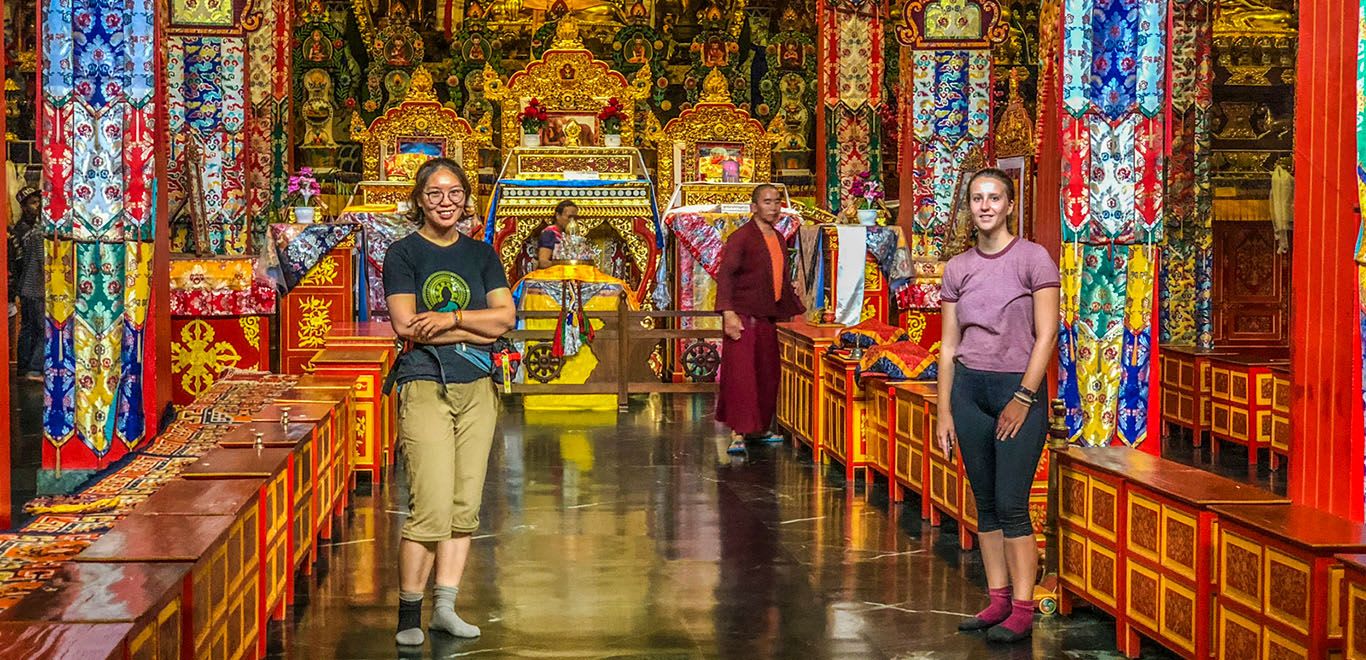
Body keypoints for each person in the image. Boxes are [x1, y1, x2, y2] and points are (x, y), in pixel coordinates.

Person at [382, 158, 516, 646]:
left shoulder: (482, 254)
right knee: (431, 506)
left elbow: (505, 319)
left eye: (454, 193)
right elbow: (405, 325)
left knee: (464, 506)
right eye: (435, 194)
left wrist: (451, 317)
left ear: (466, 198)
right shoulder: (403, 254)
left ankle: (446, 606)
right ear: (420, 199)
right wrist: (471, 324)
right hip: (425, 385)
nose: (445, 202)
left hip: (477, 386)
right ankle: (408, 616)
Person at [936, 168, 1060, 643]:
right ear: (969, 207)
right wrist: (945, 410)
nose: (985, 206)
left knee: (1011, 504)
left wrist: (1024, 398)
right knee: (984, 502)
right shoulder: (957, 268)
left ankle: (1024, 608)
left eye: (994, 198)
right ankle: (998, 599)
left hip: (1017, 390)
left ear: (1010, 205)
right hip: (969, 390)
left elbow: (1046, 334)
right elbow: (949, 346)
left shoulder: (1033, 259)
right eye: (977, 199)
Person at [714, 183, 804, 455]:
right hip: (742, 318)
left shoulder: (777, 237)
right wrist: (728, 314)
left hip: (765, 318)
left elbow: (777, 277)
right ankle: (737, 433)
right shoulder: (740, 237)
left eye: (777, 201)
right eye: (767, 202)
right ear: (754, 207)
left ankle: (760, 428)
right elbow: (726, 276)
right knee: (741, 377)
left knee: (767, 375)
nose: (774, 207)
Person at [12, 187, 42, 381]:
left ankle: (24, 365)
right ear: (23, 207)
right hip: (34, 285)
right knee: (39, 327)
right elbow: (21, 262)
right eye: (32, 203)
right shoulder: (25, 231)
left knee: (28, 327)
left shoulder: (31, 229)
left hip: (26, 286)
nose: (37, 206)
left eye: (37, 202)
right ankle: (33, 366)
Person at [536, 199, 577, 270]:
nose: (572, 221)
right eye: (569, 217)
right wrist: (564, 263)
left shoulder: (568, 235)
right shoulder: (549, 234)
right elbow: (543, 262)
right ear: (558, 215)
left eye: (575, 218)